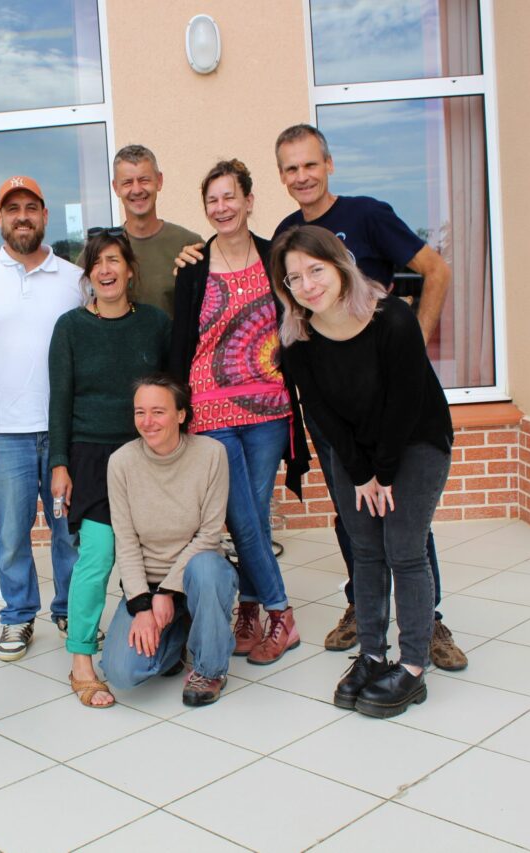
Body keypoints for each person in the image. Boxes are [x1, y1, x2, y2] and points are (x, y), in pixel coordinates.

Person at [270, 124, 464, 670]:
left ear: (328, 164)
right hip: (340, 413)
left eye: (310, 164)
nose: (302, 176)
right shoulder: (286, 234)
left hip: (396, 411)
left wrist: (411, 347)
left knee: (406, 529)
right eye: (290, 168)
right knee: (355, 519)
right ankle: (364, 608)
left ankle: (429, 626)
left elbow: (435, 270)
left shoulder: (368, 215)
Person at [274, 226, 453, 718]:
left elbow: (405, 403)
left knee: (404, 548)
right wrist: (360, 474)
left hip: (414, 442)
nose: (308, 285)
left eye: (316, 270)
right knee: (366, 550)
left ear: (340, 265)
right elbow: (322, 417)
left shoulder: (390, 317)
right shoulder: (299, 340)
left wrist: (385, 472)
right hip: (352, 452)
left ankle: (413, 666)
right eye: (295, 279)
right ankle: (372, 656)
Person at [169, 159, 304, 666]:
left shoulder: (277, 257)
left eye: (230, 197)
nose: (222, 208)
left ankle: (248, 609)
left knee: (255, 515)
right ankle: (281, 613)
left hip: (269, 408)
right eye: (212, 200)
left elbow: (298, 327)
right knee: (240, 513)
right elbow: (183, 340)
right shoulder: (193, 265)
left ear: (249, 200)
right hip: (210, 408)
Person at [0, 176, 83, 661]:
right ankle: (19, 616)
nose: (22, 215)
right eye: (12, 208)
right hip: (3, 435)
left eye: (31, 207)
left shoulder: (74, 279)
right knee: (10, 536)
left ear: (45, 216)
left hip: (66, 430)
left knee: (70, 531)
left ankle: (71, 611)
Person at [49, 229, 171, 707]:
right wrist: (59, 462)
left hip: (147, 454)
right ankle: (81, 658)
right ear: (89, 274)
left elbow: (172, 392)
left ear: (130, 269)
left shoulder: (156, 325)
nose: (106, 270)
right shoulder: (71, 327)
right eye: (97, 262)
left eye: (115, 260)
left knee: (156, 555)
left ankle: (162, 638)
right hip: (92, 455)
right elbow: (59, 398)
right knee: (97, 556)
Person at [101, 375, 237, 707]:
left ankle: (209, 669)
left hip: (197, 575)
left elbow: (209, 534)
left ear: (180, 414)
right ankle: (181, 634)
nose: (147, 422)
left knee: (207, 568)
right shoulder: (121, 463)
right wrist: (142, 604)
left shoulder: (211, 454)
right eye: (140, 412)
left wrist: (167, 591)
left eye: (158, 412)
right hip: (147, 584)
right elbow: (126, 540)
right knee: (121, 673)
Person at [109, 145, 202, 317]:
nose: (137, 190)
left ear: (159, 181)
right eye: (128, 182)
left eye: (144, 180)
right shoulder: (103, 251)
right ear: (116, 188)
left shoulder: (189, 245)